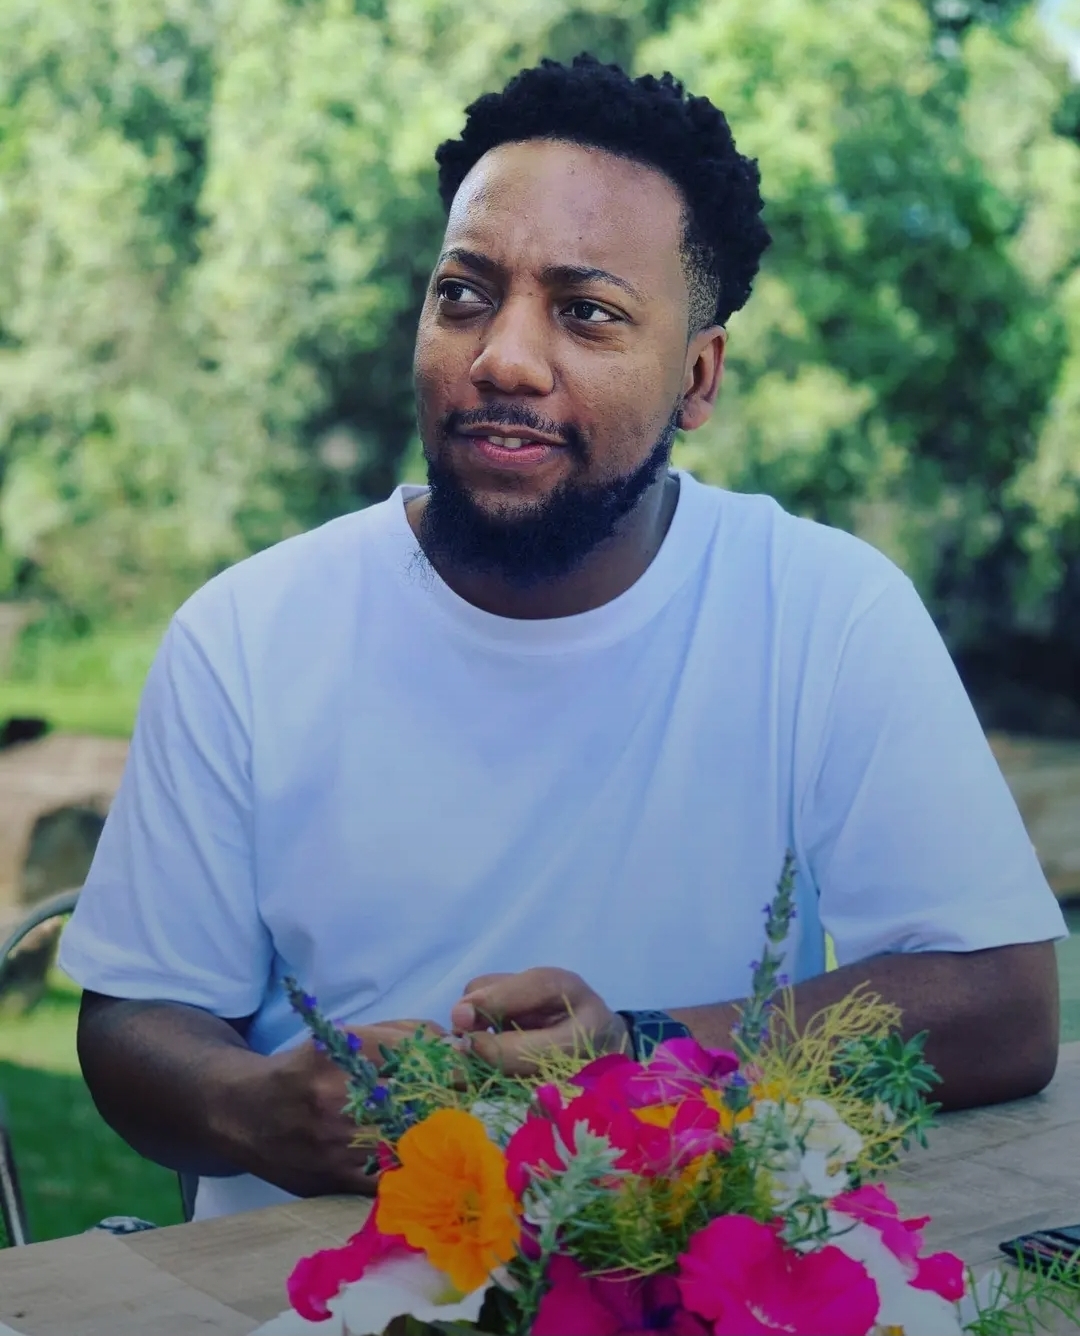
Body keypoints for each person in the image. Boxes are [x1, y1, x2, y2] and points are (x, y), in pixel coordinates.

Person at [61, 54, 1066, 1223]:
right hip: (300, 1285)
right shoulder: (245, 634)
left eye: (586, 311)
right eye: (464, 293)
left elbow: (1000, 1004)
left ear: (698, 377)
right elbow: (134, 1017)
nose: (504, 356)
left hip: (684, 1273)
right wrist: (249, 1106)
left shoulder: (825, 611)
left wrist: (639, 1054)